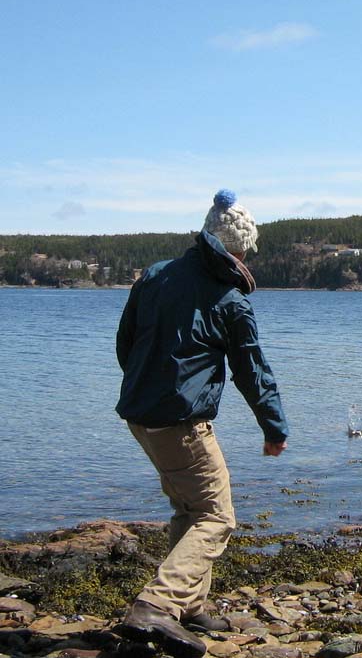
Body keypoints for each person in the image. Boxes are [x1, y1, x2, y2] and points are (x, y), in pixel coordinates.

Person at [115, 189, 288, 658]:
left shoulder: (154, 276)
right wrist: (274, 429)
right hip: (181, 423)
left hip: (140, 415)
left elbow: (125, 346)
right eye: (247, 250)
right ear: (239, 250)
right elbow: (252, 371)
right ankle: (157, 604)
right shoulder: (229, 299)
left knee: (189, 508)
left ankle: (190, 606)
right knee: (216, 516)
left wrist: (146, 390)